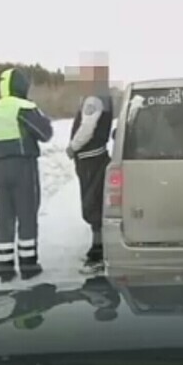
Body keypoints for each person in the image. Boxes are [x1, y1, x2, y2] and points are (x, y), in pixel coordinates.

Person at [0, 68, 53, 282]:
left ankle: (4, 267)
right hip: (23, 165)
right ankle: (28, 265)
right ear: (21, 86)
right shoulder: (24, 107)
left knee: (4, 216)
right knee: (27, 213)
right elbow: (45, 134)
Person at [66, 61, 113, 273]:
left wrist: (72, 147)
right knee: (96, 202)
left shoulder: (93, 99)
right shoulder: (102, 97)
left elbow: (87, 128)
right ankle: (99, 250)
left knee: (92, 205)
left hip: (90, 158)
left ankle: (98, 254)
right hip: (95, 156)